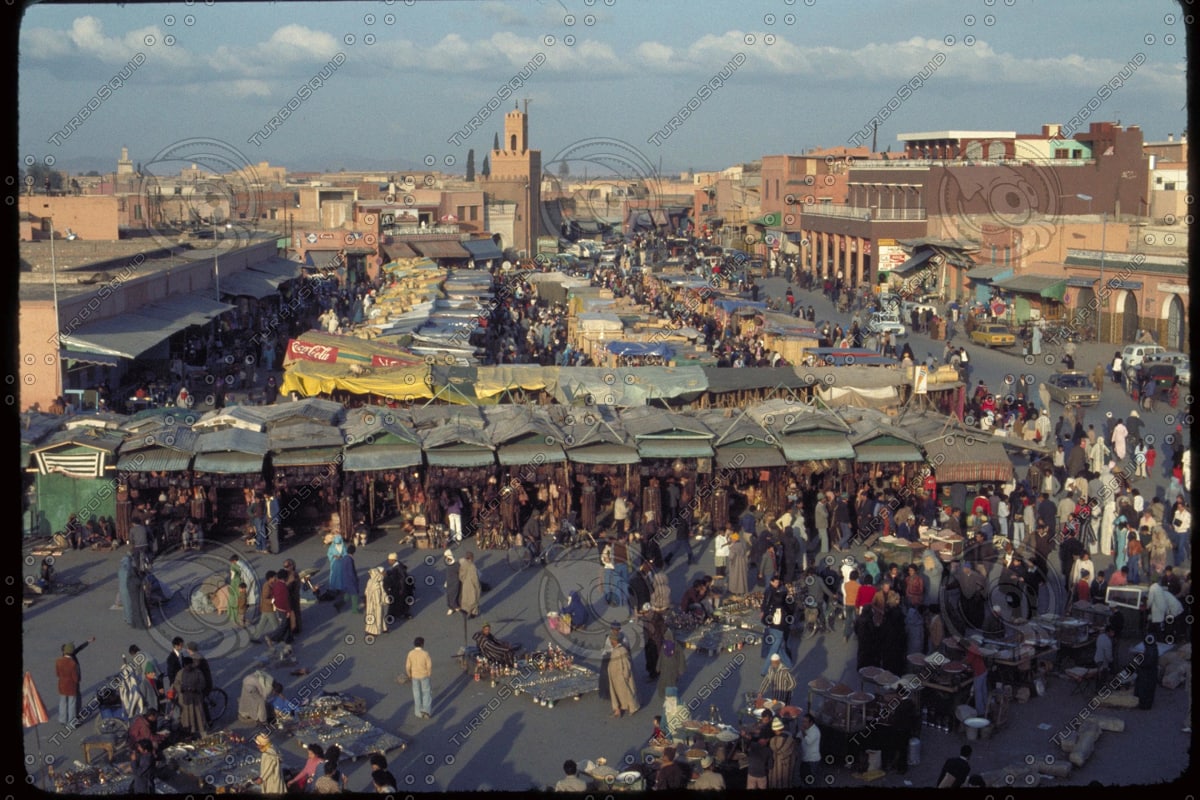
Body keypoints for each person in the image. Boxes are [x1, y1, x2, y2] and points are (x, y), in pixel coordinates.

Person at [172, 656, 208, 738]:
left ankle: (203, 733)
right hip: (185, 701)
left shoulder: (198, 672)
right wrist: (181, 688)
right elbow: (176, 684)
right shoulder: (180, 673)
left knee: (199, 717)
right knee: (186, 718)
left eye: (189, 665)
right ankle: (189, 734)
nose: (188, 667)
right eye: (186, 665)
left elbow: (203, 683)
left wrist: (196, 688)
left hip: (196, 699)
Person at [607, 633, 640, 718]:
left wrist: (625, 675)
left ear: (615, 641)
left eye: (611, 640)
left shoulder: (622, 650)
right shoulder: (615, 650)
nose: (611, 642)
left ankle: (633, 708)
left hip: (622, 677)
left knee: (628, 692)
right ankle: (617, 709)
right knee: (616, 693)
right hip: (615, 677)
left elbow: (626, 664)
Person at [405, 637, 433, 720]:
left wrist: (409, 674)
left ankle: (418, 712)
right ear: (422, 644)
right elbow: (429, 665)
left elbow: (407, 666)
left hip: (414, 676)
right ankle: (426, 711)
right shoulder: (425, 654)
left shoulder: (410, 653)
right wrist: (429, 673)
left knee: (416, 693)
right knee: (426, 693)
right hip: (424, 675)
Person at [768, 716, 797, 789]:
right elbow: (795, 755)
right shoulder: (791, 741)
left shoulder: (772, 741)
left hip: (776, 771)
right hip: (787, 770)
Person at [384, 553, 413, 623]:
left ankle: (395, 614)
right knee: (400, 601)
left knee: (396, 601)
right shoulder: (398, 565)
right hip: (399, 587)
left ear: (393, 560)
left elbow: (402, 578)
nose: (388, 561)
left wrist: (401, 589)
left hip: (399, 587)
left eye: (389, 560)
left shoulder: (398, 568)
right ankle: (402, 613)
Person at [1135, 635, 1160, 710]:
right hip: (1151, 673)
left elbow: (1148, 663)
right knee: (1149, 690)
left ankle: (1144, 705)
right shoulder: (1153, 648)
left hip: (1146, 673)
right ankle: (1146, 704)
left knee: (1145, 689)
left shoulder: (1150, 650)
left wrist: (1139, 663)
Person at [798, 711, 822, 785]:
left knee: (811, 779)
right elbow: (798, 737)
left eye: (805, 722)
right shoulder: (805, 728)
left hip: (812, 760)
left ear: (811, 723)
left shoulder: (815, 731)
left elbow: (808, 741)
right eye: (803, 721)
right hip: (805, 758)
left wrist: (803, 732)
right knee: (804, 776)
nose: (803, 723)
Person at [365, 566, 388, 636]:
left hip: (370, 603)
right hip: (376, 605)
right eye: (384, 572)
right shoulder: (377, 585)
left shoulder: (370, 581)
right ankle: (374, 631)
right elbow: (377, 599)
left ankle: (383, 628)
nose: (385, 573)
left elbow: (366, 592)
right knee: (377, 616)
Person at [458, 551, 482, 618]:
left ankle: (465, 610)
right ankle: (473, 612)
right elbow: (475, 578)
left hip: (465, 583)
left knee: (465, 598)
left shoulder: (462, 564)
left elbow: (461, 576)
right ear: (471, 558)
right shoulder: (472, 566)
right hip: (472, 584)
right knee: (474, 598)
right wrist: (478, 586)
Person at [444, 549, 462, 616]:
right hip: (449, 581)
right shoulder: (449, 563)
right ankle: (452, 607)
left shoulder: (456, 564)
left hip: (455, 582)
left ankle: (455, 607)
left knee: (453, 595)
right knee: (449, 595)